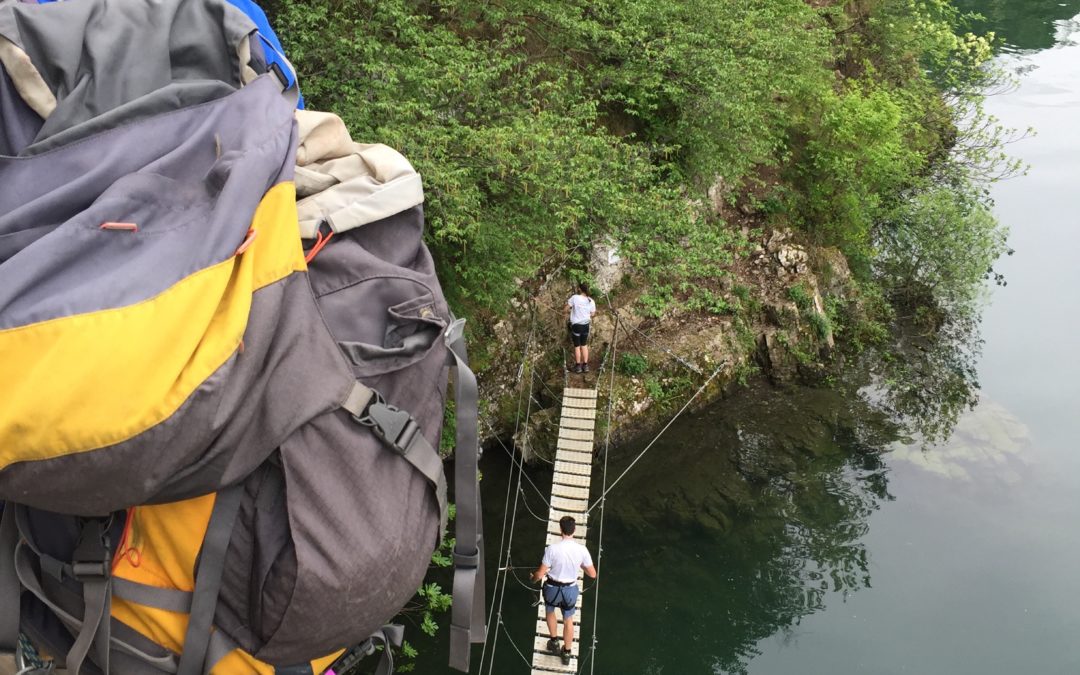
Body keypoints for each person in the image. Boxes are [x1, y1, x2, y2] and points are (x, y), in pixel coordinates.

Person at [531, 516, 598, 665]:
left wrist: (533, 578)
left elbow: (540, 574)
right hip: (570, 590)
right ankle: (566, 653)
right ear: (574, 530)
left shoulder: (552, 549)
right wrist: (580, 565)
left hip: (552, 589)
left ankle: (554, 641)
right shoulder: (582, 550)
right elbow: (593, 574)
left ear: (560, 529)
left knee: (550, 611)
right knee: (568, 620)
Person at [565, 283, 596, 373]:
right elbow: (593, 313)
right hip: (586, 325)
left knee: (577, 346)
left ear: (579, 289)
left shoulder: (575, 298)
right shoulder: (591, 300)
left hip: (576, 325)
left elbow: (566, 308)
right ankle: (585, 366)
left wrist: (564, 312)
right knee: (584, 345)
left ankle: (578, 366)